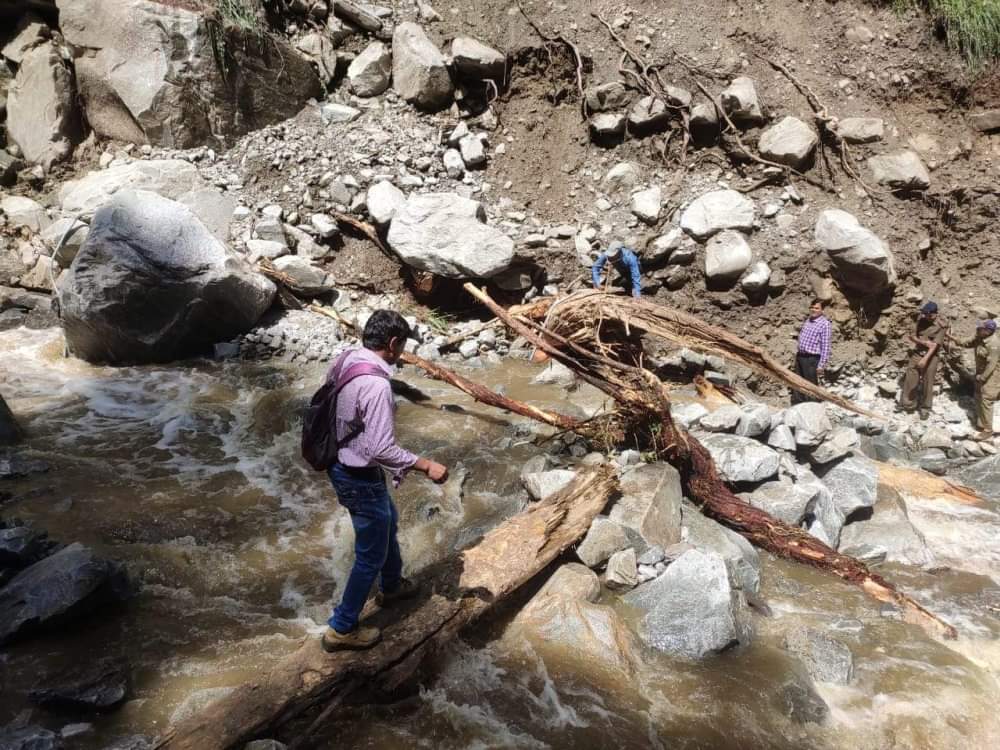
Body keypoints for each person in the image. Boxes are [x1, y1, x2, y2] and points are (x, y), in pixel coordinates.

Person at [321, 310, 449, 652]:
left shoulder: (347, 358)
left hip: (341, 463)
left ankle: (392, 586)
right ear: (393, 344)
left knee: (387, 521)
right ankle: (341, 629)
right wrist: (425, 465)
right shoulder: (377, 385)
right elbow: (381, 448)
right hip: (359, 475)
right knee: (369, 557)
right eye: (403, 346)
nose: (402, 352)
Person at [950, 319, 1000, 440]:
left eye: (980, 328)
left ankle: (988, 430)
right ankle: (982, 423)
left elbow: (992, 365)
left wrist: (982, 378)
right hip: (980, 373)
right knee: (978, 395)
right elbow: (967, 343)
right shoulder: (979, 336)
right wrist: (953, 338)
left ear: (988, 331)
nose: (977, 329)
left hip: (992, 375)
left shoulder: (994, 344)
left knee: (986, 399)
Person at [900, 302, 948, 419]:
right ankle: (908, 404)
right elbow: (913, 337)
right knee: (910, 377)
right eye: (924, 314)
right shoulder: (921, 320)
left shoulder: (941, 326)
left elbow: (935, 346)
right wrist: (923, 342)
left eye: (927, 314)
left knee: (928, 382)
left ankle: (925, 408)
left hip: (931, 356)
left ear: (934, 314)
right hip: (917, 352)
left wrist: (925, 360)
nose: (925, 316)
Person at [791, 300, 832, 404]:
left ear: (822, 310)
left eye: (817, 308)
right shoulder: (808, 320)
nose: (813, 310)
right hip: (800, 356)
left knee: (810, 384)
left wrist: (821, 365)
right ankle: (799, 404)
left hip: (811, 359)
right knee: (798, 381)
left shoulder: (825, 324)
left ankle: (813, 406)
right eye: (812, 307)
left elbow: (825, 346)